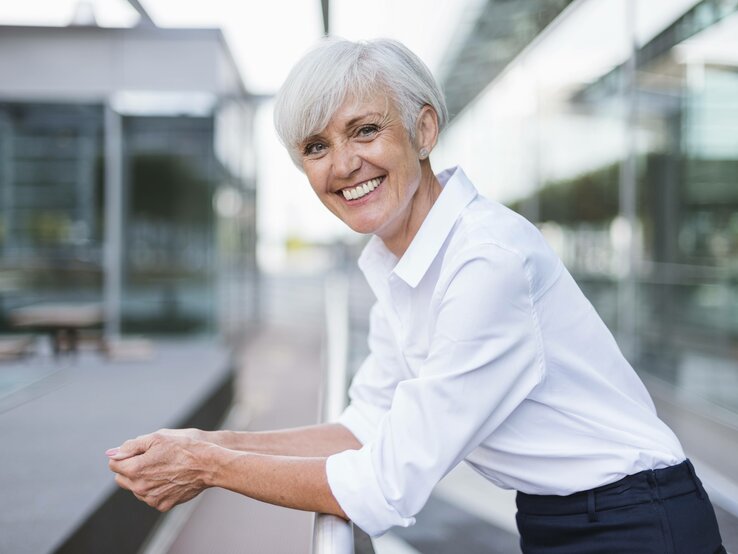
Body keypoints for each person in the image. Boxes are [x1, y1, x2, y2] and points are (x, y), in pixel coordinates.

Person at [107, 38, 726, 553]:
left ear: (423, 128)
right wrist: (212, 442)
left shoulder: (486, 260)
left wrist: (208, 468)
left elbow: (385, 486)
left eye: (365, 130)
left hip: (637, 523)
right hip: (563, 519)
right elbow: (364, 430)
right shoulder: (400, 263)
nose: (343, 164)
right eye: (316, 147)